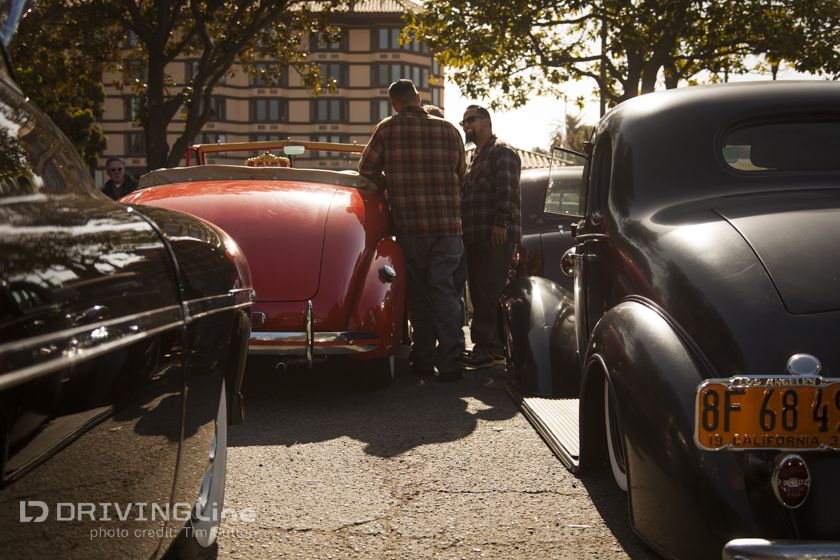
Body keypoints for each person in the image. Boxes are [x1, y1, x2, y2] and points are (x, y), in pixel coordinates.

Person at [359, 79, 466, 382]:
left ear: (394, 104)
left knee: (418, 295)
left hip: (410, 227)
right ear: (418, 98)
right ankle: (451, 362)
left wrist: (391, 183)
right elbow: (462, 173)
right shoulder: (448, 130)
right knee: (445, 291)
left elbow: (365, 171)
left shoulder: (387, 129)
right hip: (447, 227)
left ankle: (422, 360)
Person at [459, 105, 521, 368]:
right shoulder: (476, 156)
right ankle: (486, 347)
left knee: (489, 292)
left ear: (487, 121)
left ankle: (491, 349)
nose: (466, 125)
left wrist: (501, 224)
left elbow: (507, 192)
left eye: (471, 119)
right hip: (475, 236)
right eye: (463, 122)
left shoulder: (502, 151)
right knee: (480, 292)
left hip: (494, 235)